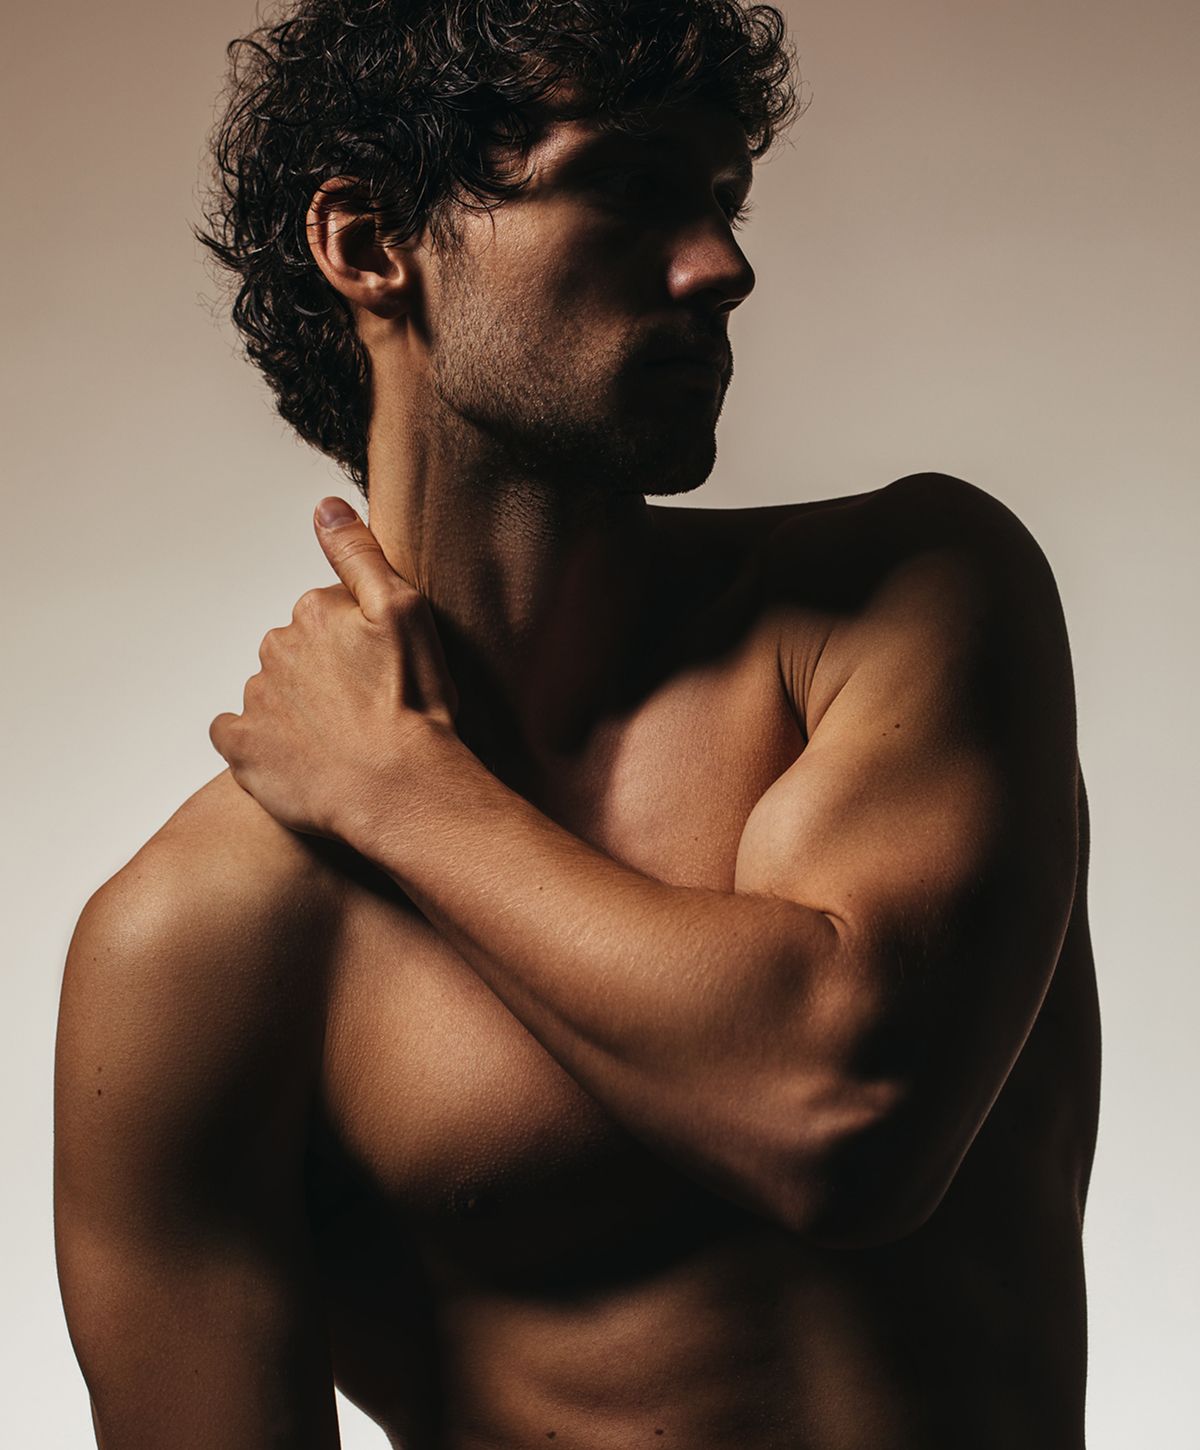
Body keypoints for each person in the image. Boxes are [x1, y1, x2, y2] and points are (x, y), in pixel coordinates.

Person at [54, 1, 1101, 1446]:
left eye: (724, 196)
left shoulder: (904, 606)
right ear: (368, 245)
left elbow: (845, 1109)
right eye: (625, 185)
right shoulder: (208, 946)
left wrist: (410, 796)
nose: (724, 264)